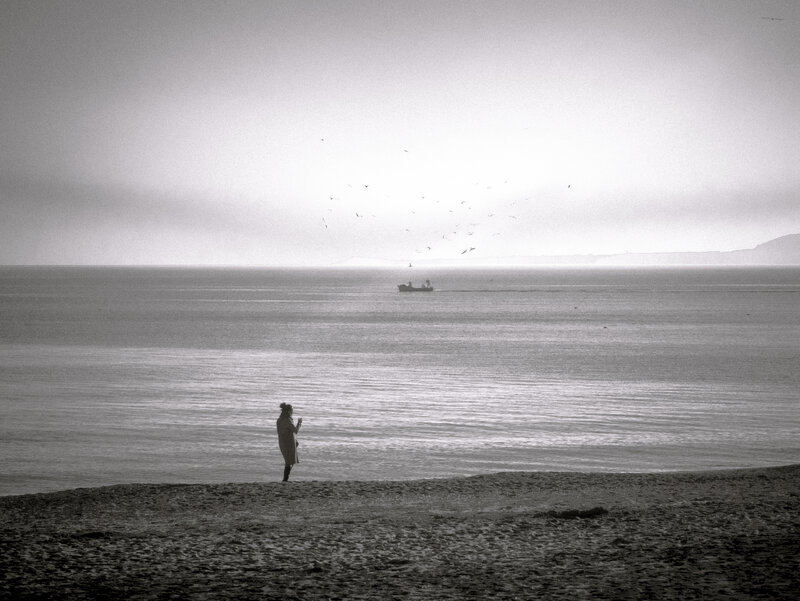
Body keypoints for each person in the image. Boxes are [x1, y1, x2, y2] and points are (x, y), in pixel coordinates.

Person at [276, 402, 302, 481]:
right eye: (292, 411)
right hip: (288, 443)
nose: (292, 412)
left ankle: (285, 479)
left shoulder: (279, 420)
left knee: (289, 461)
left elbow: (281, 432)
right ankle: (285, 479)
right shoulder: (288, 420)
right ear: (288, 411)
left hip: (282, 442)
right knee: (290, 461)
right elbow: (295, 431)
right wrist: (299, 423)